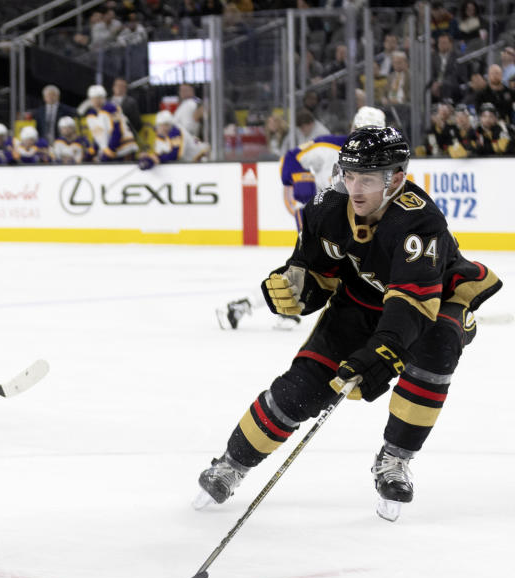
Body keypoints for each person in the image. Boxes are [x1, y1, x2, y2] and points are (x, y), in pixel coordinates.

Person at [193, 127, 501, 523]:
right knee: (302, 389)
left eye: (368, 179)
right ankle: (232, 464)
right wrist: (293, 290)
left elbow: (411, 306)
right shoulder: (327, 205)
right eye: (349, 174)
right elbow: (315, 273)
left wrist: (381, 354)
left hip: (432, 303)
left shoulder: (419, 222)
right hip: (358, 302)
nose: (354, 188)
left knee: (437, 347)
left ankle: (394, 459)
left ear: (397, 179)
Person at [217, 106, 387, 331]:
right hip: (322, 219)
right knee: (309, 269)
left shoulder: (386, 160)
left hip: (353, 224)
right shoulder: (328, 145)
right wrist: (300, 178)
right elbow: (291, 158)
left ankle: (248, 306)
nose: (368, 139)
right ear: (353, 128)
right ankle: (247, 306)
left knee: (338, 271)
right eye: (363, 131)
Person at [138, 109, 208, 169]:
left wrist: (153, 158)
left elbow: (175, 154)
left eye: (167, 125)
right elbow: (161, 155)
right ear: (157, 126)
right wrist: (147, 157)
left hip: (205, 159)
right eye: (162, 125)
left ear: (171, 124)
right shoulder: (160, 137)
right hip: (193, 165)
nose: (164, 128)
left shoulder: (176, 131)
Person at [84, 84, 137, 161]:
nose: (96, 101)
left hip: (124, 149)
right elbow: (98, 135)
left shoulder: (112, 109)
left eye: (99, 97)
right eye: (94, 98)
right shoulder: (90, 115)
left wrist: (111, 149)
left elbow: (118, 131)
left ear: (104, 98)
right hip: (110, 151)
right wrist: (92, 151)